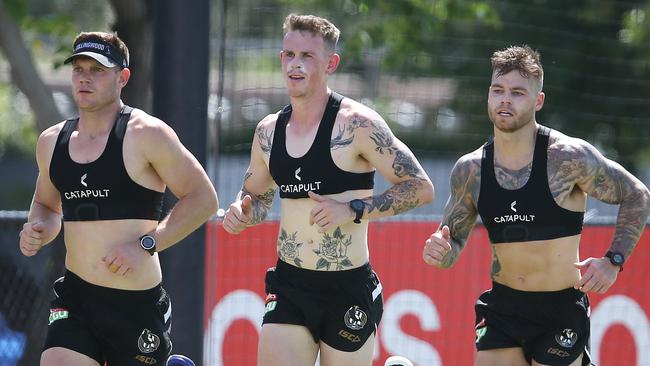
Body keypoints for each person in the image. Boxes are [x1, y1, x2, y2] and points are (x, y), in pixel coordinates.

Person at [222, 14, 434, 366]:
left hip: (347, 288)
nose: (295, 65)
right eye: (289, 55)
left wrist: (353, 208)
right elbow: (256, 198)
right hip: (290, 285)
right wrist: (241, 214)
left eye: (307, 56)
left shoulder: (358, 124)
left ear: (331, 63)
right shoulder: (268, 131)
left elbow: (421, 188)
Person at [422, 44, 650, 366]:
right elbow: (452, 242)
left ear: (538, 100)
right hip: (502, 308)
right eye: (498, 90)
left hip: (559, 311)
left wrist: (613, 261)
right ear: (488, 94)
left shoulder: (567, 157)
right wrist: (440, 252)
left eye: (517, 92)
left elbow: (637, 194)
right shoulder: (470, 170)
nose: (505, 99)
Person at [18, 31, 218, 366]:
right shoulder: (52, 141)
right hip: (76, 299)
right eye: (79, 68)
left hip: (135, 303)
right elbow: (47, 206)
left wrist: (146, 244)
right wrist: (38, 228)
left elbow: (204, 199)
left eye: (97, 69)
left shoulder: (147, 134)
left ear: (122, 77)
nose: (85, 77)